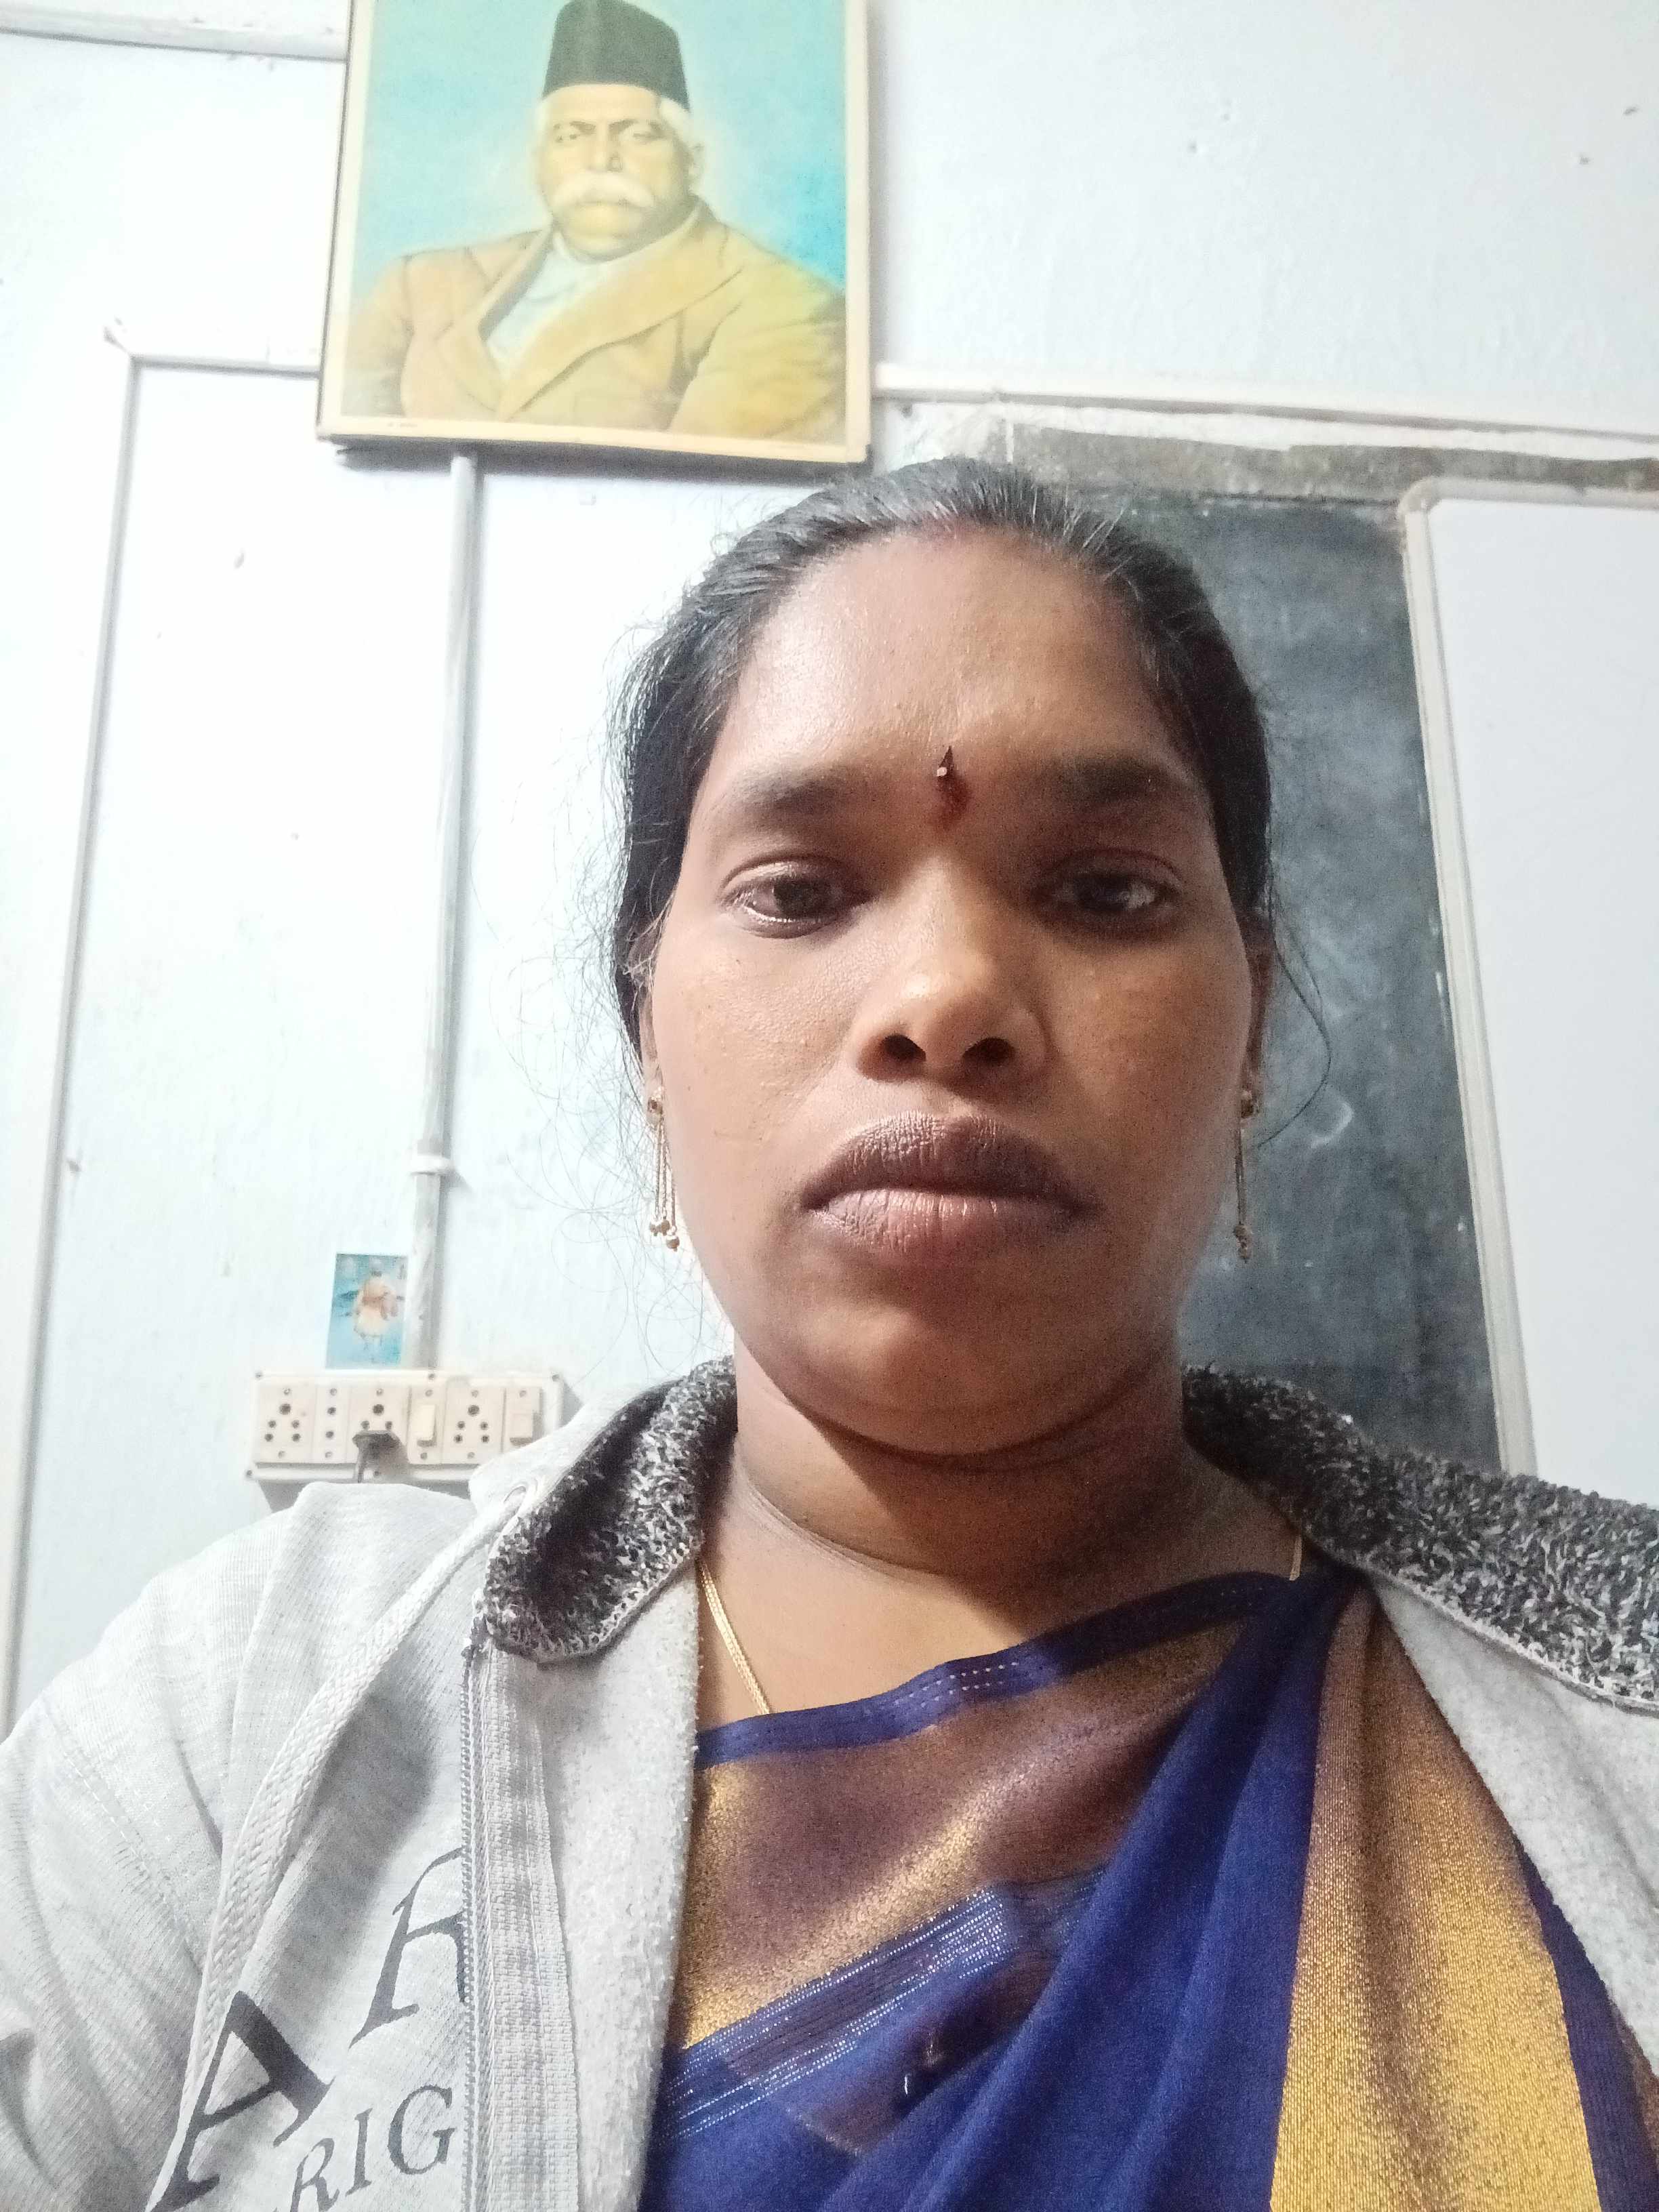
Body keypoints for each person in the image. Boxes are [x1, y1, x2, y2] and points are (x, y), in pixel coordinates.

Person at [3, 459, 1658, 2209]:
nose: (946, 998)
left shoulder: (1617, 1700)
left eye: (1104, 892)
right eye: (800, 891)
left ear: (1248, 1028)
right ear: (648, 1028)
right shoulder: (260, 1705)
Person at [342, 0, 847, 444]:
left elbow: (695, 485)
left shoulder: (788, 305)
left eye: (638, 134)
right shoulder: (418, 285)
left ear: (692, 161)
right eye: (571, 135)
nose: (602, 158)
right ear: (537, 162)